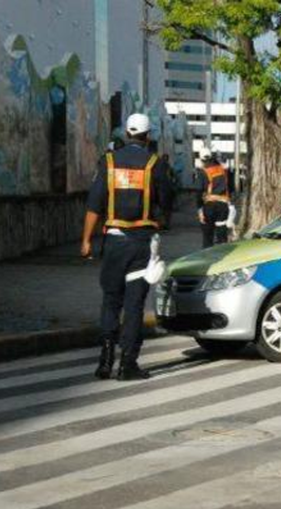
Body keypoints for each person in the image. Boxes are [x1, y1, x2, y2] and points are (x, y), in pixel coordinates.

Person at [81, 113, 172, 381]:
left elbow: (94, 205)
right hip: (141, 245)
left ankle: (105, 361)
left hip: (114, 242)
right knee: (134, 305)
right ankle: (128, 364)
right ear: (147, 136)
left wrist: (86, 240)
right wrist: (162, 220)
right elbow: (167, 199)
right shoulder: (154, 164)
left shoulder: (108, 162)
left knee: (111, 300)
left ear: (126, 133)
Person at [195, 148, 231, 247]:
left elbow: (199, 191)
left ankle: (208, 255)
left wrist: (199, 208)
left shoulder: (203, 172)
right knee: (222, 233)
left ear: (201, 159)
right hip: (223, 205)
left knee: (208, 235)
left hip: (209, 206)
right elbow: (230, 186)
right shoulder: (222, 169)